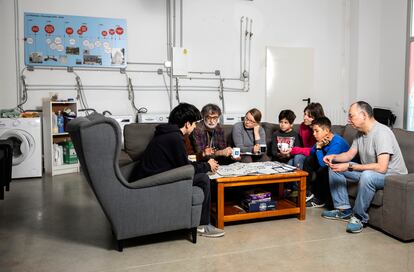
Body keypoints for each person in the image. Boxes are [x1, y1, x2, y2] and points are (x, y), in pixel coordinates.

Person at [134, 103, 225, 238]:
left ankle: (202, 223)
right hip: (152, 181)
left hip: (155, 175)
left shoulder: (168, 133)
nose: (195, 126)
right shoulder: (175, 138)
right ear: (187, 124)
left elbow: (182, 163)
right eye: (194, 123)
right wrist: (207, 166)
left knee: (202, 173)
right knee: (203, 179)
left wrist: (205, 163)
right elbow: (185, 169)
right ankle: (202, 225)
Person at [322, 101, 407, 233]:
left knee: (367, 176)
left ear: (363, 115)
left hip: (393, 177)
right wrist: (333, 157)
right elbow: (350, 154)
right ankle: (343, 210)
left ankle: (359, 217)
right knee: (335, 166)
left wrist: (350, 167)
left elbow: (381, 168)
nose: (349, 120)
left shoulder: (382, 133)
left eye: (351, 116)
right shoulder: (360, 133)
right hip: (372, 172)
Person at [304, 117, 349, 208]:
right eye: (313, 131)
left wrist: (319, 148)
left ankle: (321, 200)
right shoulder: (322, 141)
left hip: (345, 168)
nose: (314, 134)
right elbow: (312, 153)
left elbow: (324, 164)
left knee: (323, 168)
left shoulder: (337, 142)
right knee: (309, 159)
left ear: (326, 130)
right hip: (329, 164)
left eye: (317, 131)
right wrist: (318, 146)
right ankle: (307, 193)